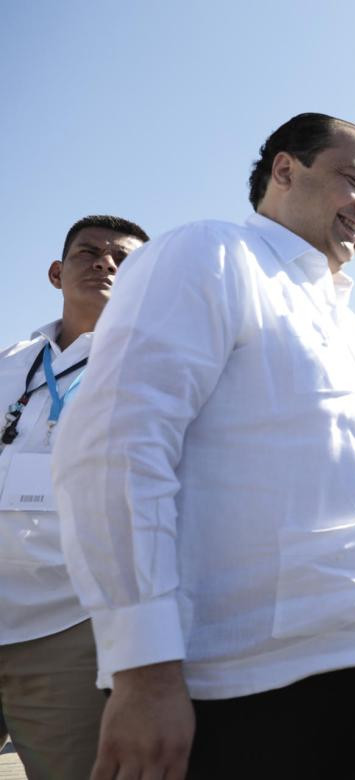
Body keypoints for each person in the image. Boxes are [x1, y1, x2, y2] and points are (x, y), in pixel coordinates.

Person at [51, 113, 355, 779]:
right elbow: (115, 443)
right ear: (285, 171)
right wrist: (143, 671)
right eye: (354, 181)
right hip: (250, 691)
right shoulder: (213, 254)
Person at [0, 215, 147, 780]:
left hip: (71, 627)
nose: (105, 263)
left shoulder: (159, 370)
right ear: (57, 272)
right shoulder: (13, 362)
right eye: (88, 253)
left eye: (122, 260)